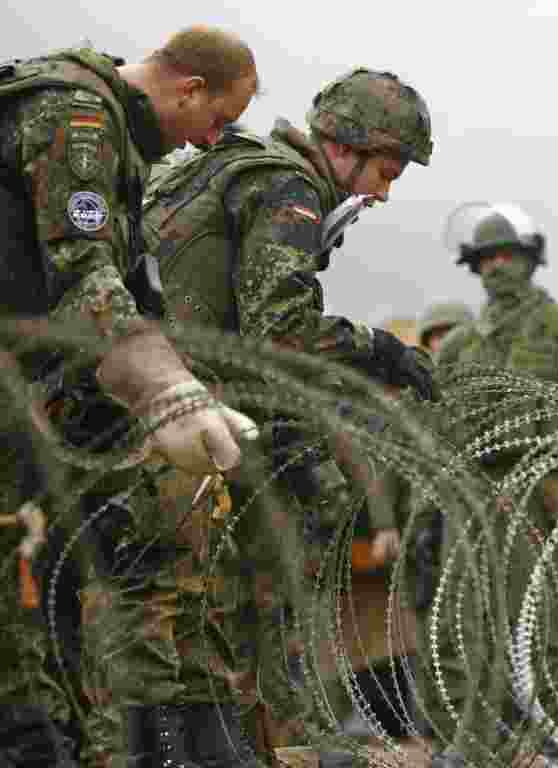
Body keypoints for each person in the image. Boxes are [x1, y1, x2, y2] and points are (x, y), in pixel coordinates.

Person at [139, 67, 437, 766]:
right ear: (345, 146)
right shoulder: (289, 190)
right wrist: (381, 349)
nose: (382, 192)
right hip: (197, 413)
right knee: (280, 567)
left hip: (157, 401)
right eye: (384, 170)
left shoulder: (219, 167)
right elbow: (280, 330)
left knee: (186, 603)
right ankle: (285, 739)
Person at [0, 28, 260, 768]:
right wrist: (167, 392)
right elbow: (82, 272)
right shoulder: (77, 117)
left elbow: (116, 288)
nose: (212, 140)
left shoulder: (115, 137)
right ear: (188, 89)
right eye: (217, 121)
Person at [430, 202, 558, 768]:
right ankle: (477, 737)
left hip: (547, 488)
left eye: (507, 256)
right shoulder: (462, 344)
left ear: (529, 261)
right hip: (475, 489)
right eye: (486, 258)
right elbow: (437, 419)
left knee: (548, 615)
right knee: (467, 619)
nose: (497, 267)